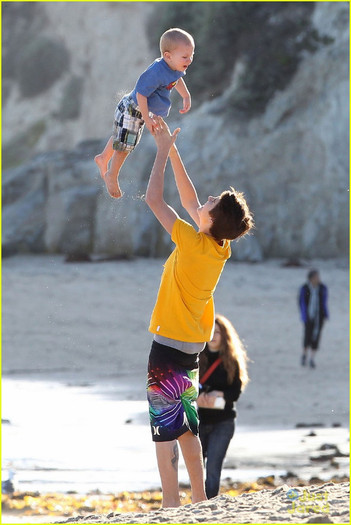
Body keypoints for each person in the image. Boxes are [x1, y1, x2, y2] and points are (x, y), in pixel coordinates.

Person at [144, 117, 254, 508]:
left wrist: (159, 155)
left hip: (169, 347)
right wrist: (172, 150)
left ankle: (171, 504)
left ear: (209, 221)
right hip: (189, 349)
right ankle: (201, 499)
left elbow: (154, 200)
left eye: (209, 203)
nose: (202, 201)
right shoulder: (218, 247)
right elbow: (189, 200)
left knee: (164, 431)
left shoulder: (193, 243)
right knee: (187, 425)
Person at [94, 27, 194, 199]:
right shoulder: (156, 72)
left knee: (123, 137)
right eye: (185, 57)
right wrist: (146, 118)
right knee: (125, 146)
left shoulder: (176, 66)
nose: (189, 60)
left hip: (137, 111)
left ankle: (103, 158)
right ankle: (112, 174)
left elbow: (177, 79)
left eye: (192, 54)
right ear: (167, 56)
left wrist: (186, 95)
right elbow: (141, 93)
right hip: (133, 108)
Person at [196, 314, 249, 499]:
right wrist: (199, 396)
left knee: (213, 468)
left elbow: (236, 391)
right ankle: (198, 501)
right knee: (196, 467)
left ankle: (209, 502)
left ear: (224, 335)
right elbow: (185, 386)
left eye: (217, 332)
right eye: (210, 331)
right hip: (198, 420)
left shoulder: (231, 360)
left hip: (223, 422)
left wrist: (219, 395)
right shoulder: (196, 357)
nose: (213, 336)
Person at [298, 269, 329, 368]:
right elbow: (301, 302)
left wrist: (326, 314)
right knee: (307, 335)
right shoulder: (305, 288)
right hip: (308, 316)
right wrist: (303, 315)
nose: (318, 279)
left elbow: (324, 301)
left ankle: (312, 358)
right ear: (311, 278)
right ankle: (304, 354)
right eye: (316, 277)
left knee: (316, 336)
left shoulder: (322, 288)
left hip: (319, 316)